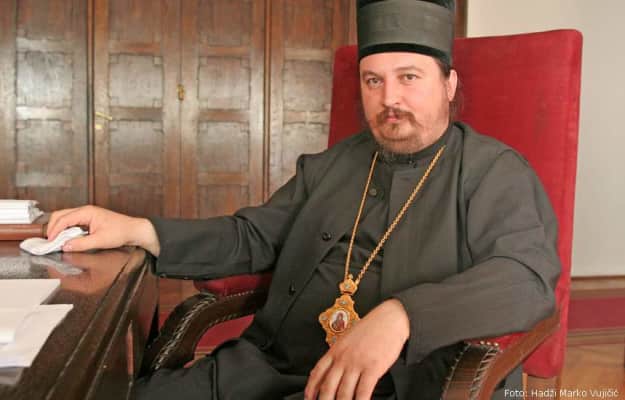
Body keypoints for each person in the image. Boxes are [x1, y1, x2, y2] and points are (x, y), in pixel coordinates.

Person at [46, 0, 560, 399]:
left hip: (388, 386)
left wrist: (403, 316)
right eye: (373, 80)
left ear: (448, 84)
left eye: (409, 77)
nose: (390, 99)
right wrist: (139, 229)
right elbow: (252, 236)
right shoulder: (332, 164)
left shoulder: (494, 171)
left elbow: (526, 280)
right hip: (264, 369)